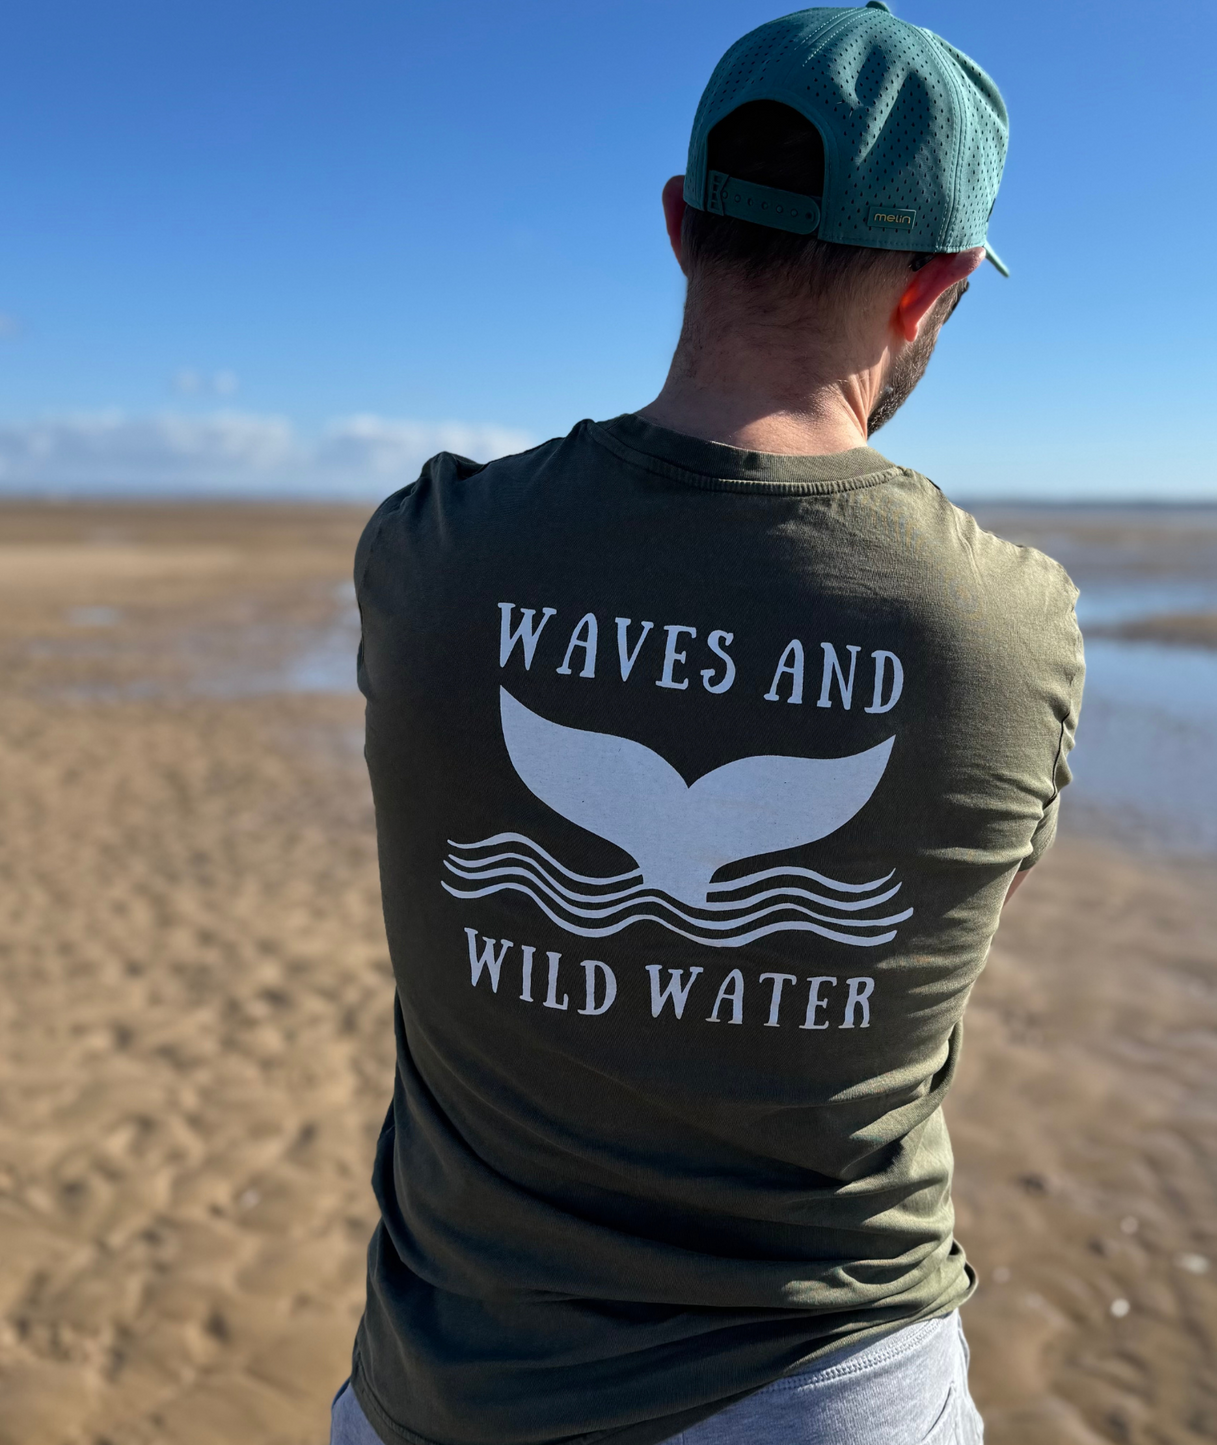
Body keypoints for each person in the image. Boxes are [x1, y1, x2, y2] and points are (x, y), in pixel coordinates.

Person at [331, 4, 1083, 1443]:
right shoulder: (1011, 627)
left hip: (444, 1383)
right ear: (932, 289)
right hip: (818, 1384)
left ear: (682, 224)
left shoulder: (431, 552)